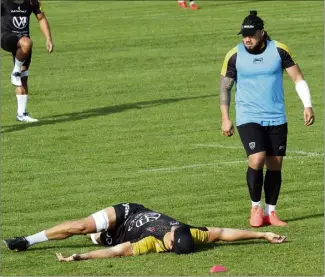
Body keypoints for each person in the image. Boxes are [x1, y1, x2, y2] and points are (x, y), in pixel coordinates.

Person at [219, 10, 315, 228]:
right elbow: (225, 87)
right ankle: (255, 207)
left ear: (262, 33)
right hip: (248, 115)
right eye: (244, 35)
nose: (247, 39)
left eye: (252, 34)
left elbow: (298, 78)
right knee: (257, 158)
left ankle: (271, 212)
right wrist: (225, 117)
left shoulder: (279, 51)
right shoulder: (234, 55)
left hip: (276, 116)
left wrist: (307, 105)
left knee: (275, 164)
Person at [4, 202, 287, 261]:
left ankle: (96, 234)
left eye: (172, 237)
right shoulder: (195, 234)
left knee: (94, 236)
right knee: (81, 225)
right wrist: (262, 235)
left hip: (120, 236)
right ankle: (27, 241)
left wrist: (79, 257)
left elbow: (117, 251)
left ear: (170, 244)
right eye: (176, 231)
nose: (173, 230)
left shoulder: (153, 243)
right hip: (130, 211)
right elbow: (224, 232)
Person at [1, 0, 54, 123]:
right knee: (27, 42)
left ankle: (21, 113)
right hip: (6, 37)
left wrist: (48, 39)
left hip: (24, 45)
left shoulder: (32, 2)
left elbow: (41, 19)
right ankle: (15, 72)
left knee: (23, 76)